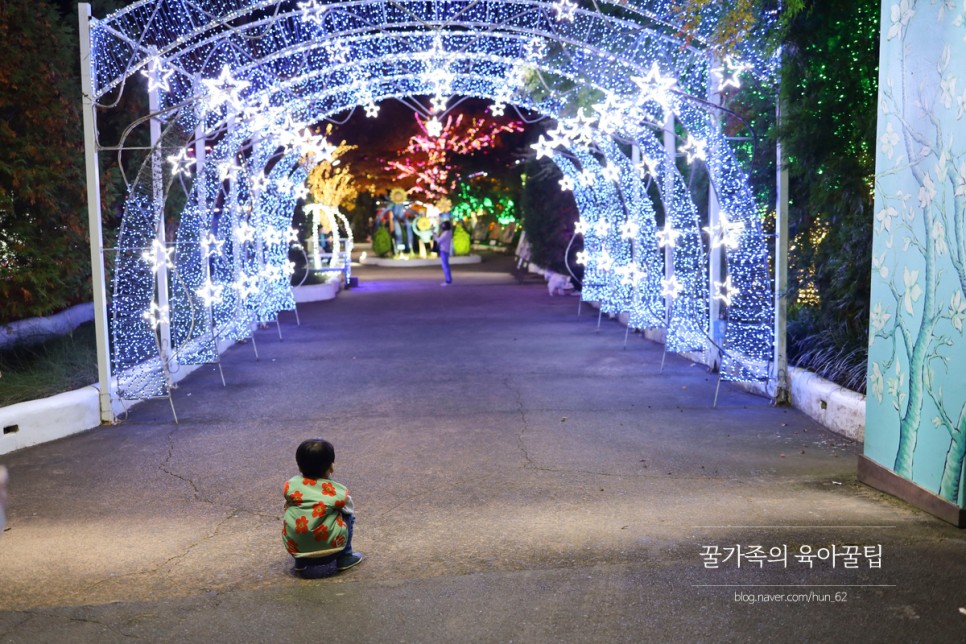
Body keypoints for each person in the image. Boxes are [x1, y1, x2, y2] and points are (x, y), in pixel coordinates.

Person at [282, 439, 364, 575]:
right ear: (331, 467)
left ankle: (300, 563)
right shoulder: (335, 490)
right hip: (332, 551)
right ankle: (345, 556)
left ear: (299, 467)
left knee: (293, 512)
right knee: (347, 515)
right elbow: (349, 508)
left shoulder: (292, 485)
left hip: (297, 551)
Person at [434, 219, 454, 286]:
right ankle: (449, 279)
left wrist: (434, 235)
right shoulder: (449, 232)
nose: (442, 227)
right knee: (446, 266)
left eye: (443, 225)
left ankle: (448, 280)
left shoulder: (445, 233)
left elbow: (438, 240)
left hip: (443, 250)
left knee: (445, 266)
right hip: (446, 250)